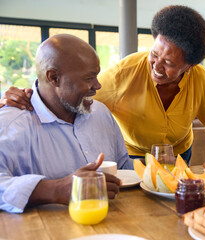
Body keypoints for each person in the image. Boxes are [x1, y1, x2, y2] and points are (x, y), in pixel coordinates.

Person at [0, 5, 205, 165]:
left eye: (168, 63)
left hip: (179, 156)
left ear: (189, 66)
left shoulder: (200, 80)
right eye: (154, 54)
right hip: (134, 159)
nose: (157, 66)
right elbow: (68, 93)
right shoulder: (121, 75)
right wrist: (27, 96)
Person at [0, 34, 132, 213]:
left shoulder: (100, 113)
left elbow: (123, 166)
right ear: (54, 77)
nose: (98, 85)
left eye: (97, 76)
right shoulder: (12, 123)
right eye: (88, 78)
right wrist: (55, 189)